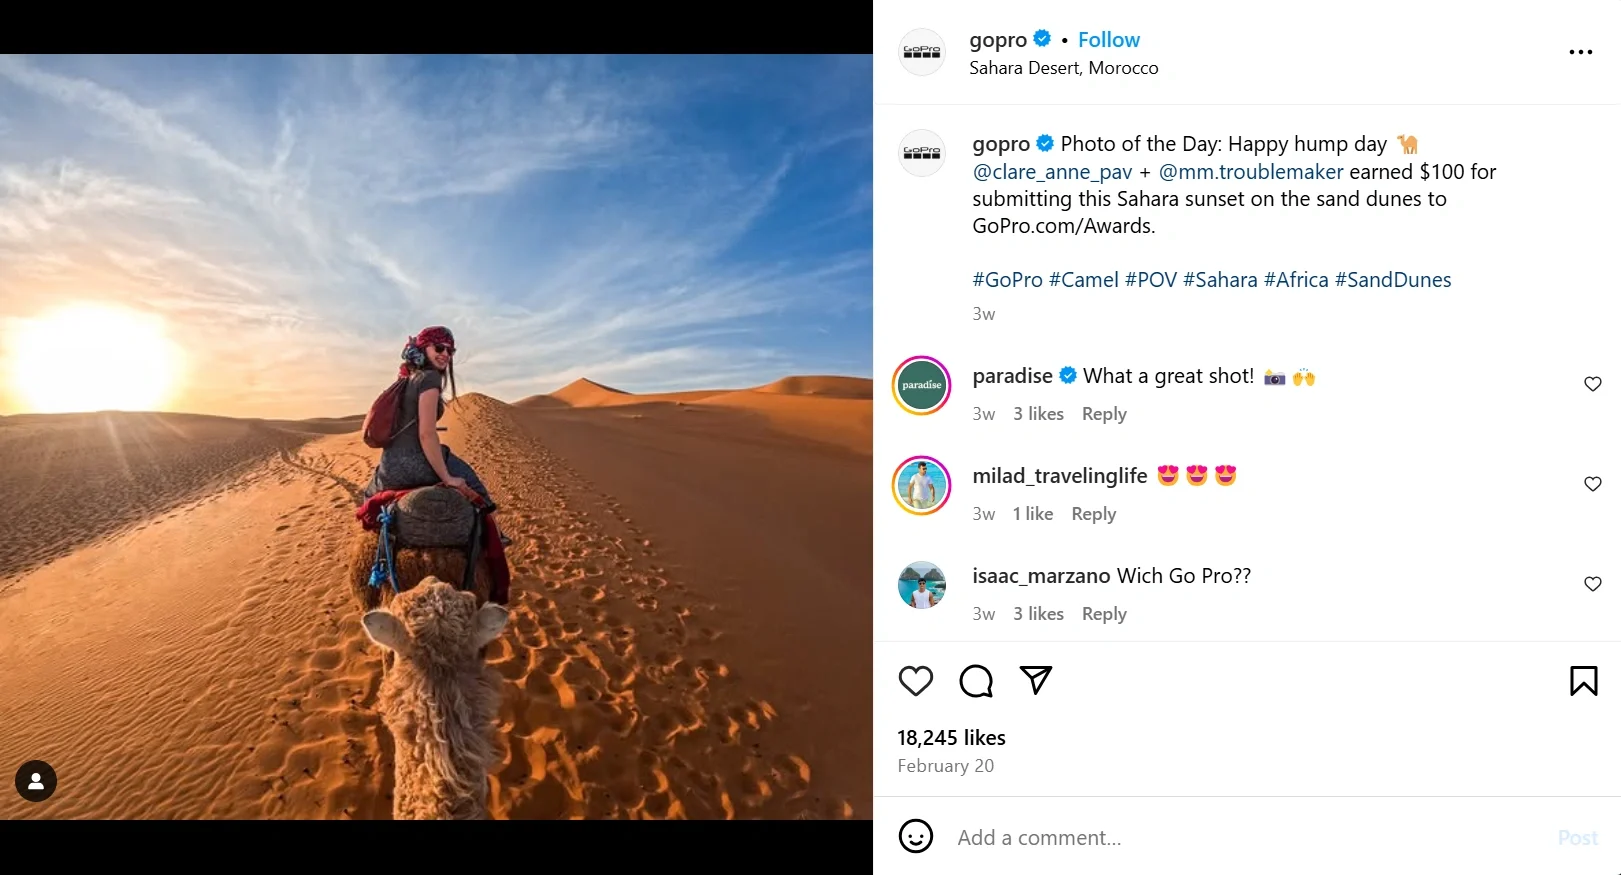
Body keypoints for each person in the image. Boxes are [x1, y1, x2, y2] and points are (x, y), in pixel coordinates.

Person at [361, 325, 493, 508]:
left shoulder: (406, 379)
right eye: (439, 348)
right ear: (424, 348)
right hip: (417, 463)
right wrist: (448, 478)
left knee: (368, 494)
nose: (445, 353)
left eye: (450, 350)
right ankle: (497, 535)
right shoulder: (430, 378)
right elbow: (426, 434)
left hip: (390, 467)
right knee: (477, 491)